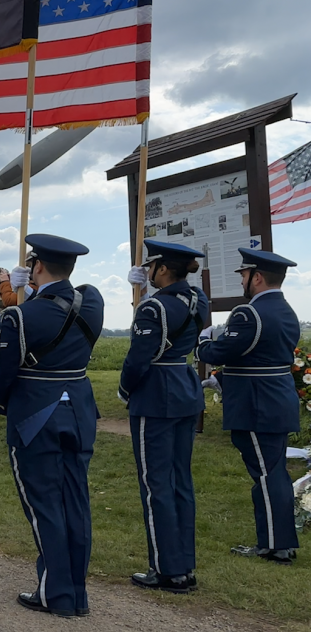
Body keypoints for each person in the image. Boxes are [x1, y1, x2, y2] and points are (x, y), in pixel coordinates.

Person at [0, 234, 105, 617]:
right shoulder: (93, 302)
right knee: (76, 503)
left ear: (36, 267)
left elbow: (2, 376)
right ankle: (76, 592)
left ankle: (55, 592)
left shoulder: (21, 315)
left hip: (36, 413)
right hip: (80, 410)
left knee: (44, 505)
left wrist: (22, 297)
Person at [197, 248, 302, 565]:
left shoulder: (248, 314)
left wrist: (204, 341)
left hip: (257, 404)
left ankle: (275, 544)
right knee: (272, 471)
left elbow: (220, 352)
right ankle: (275, 541)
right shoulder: (285, 310)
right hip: (276, 399)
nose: (242, 280)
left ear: (256, 277)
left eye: (243, 274)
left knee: (268, 475)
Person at [118, 239, 209, 593]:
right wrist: (141, 292)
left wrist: (125, 390)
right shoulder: (197, 300)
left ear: (162, 269)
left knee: (156, 484)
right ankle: (184, 564)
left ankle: (166, 568)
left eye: (151, 266)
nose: (148, 272)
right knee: (179, 481)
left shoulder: (153, 308)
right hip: (185, 387)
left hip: (156, 392)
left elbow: (139, 357)